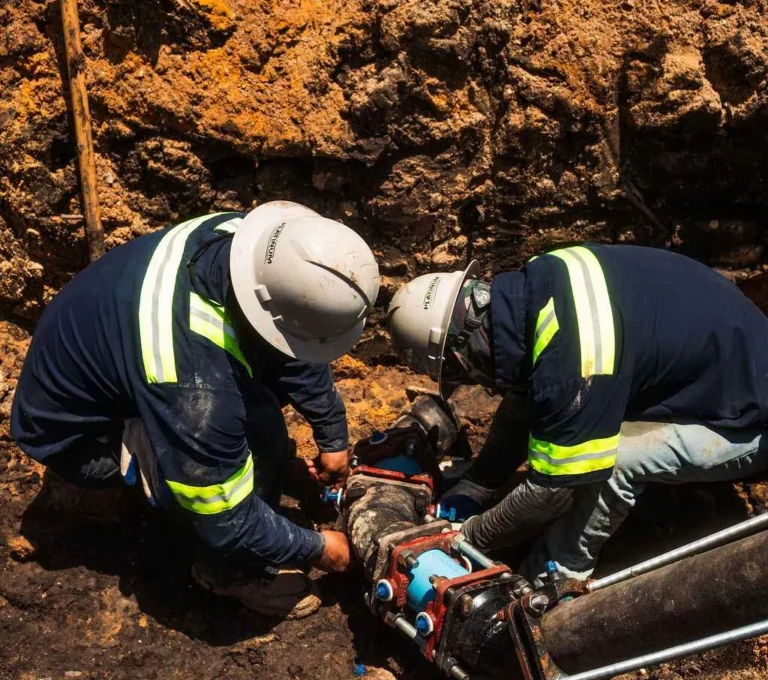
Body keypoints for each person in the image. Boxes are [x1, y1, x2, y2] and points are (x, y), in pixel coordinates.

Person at [12, 202, 380, 618]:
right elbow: (225, 516)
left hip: (108, 354)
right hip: (75, 439)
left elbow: (292, 343)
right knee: (234, 456)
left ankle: (246, 475)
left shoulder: (253, 244)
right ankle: (230, 573)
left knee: (249, 414)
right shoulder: (193, 387)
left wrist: (332, 434)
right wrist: (320, 550)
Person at [387, 243, 768, 585]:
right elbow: (531, 388)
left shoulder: (576, 364)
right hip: (727, 353)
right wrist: (480, 483)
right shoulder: (541, 278)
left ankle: (554, 579)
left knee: (613, 462)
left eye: (460, 372)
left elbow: (552, 493)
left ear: (460, 350)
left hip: (747, 418)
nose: (479, 384)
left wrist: (467, 540)